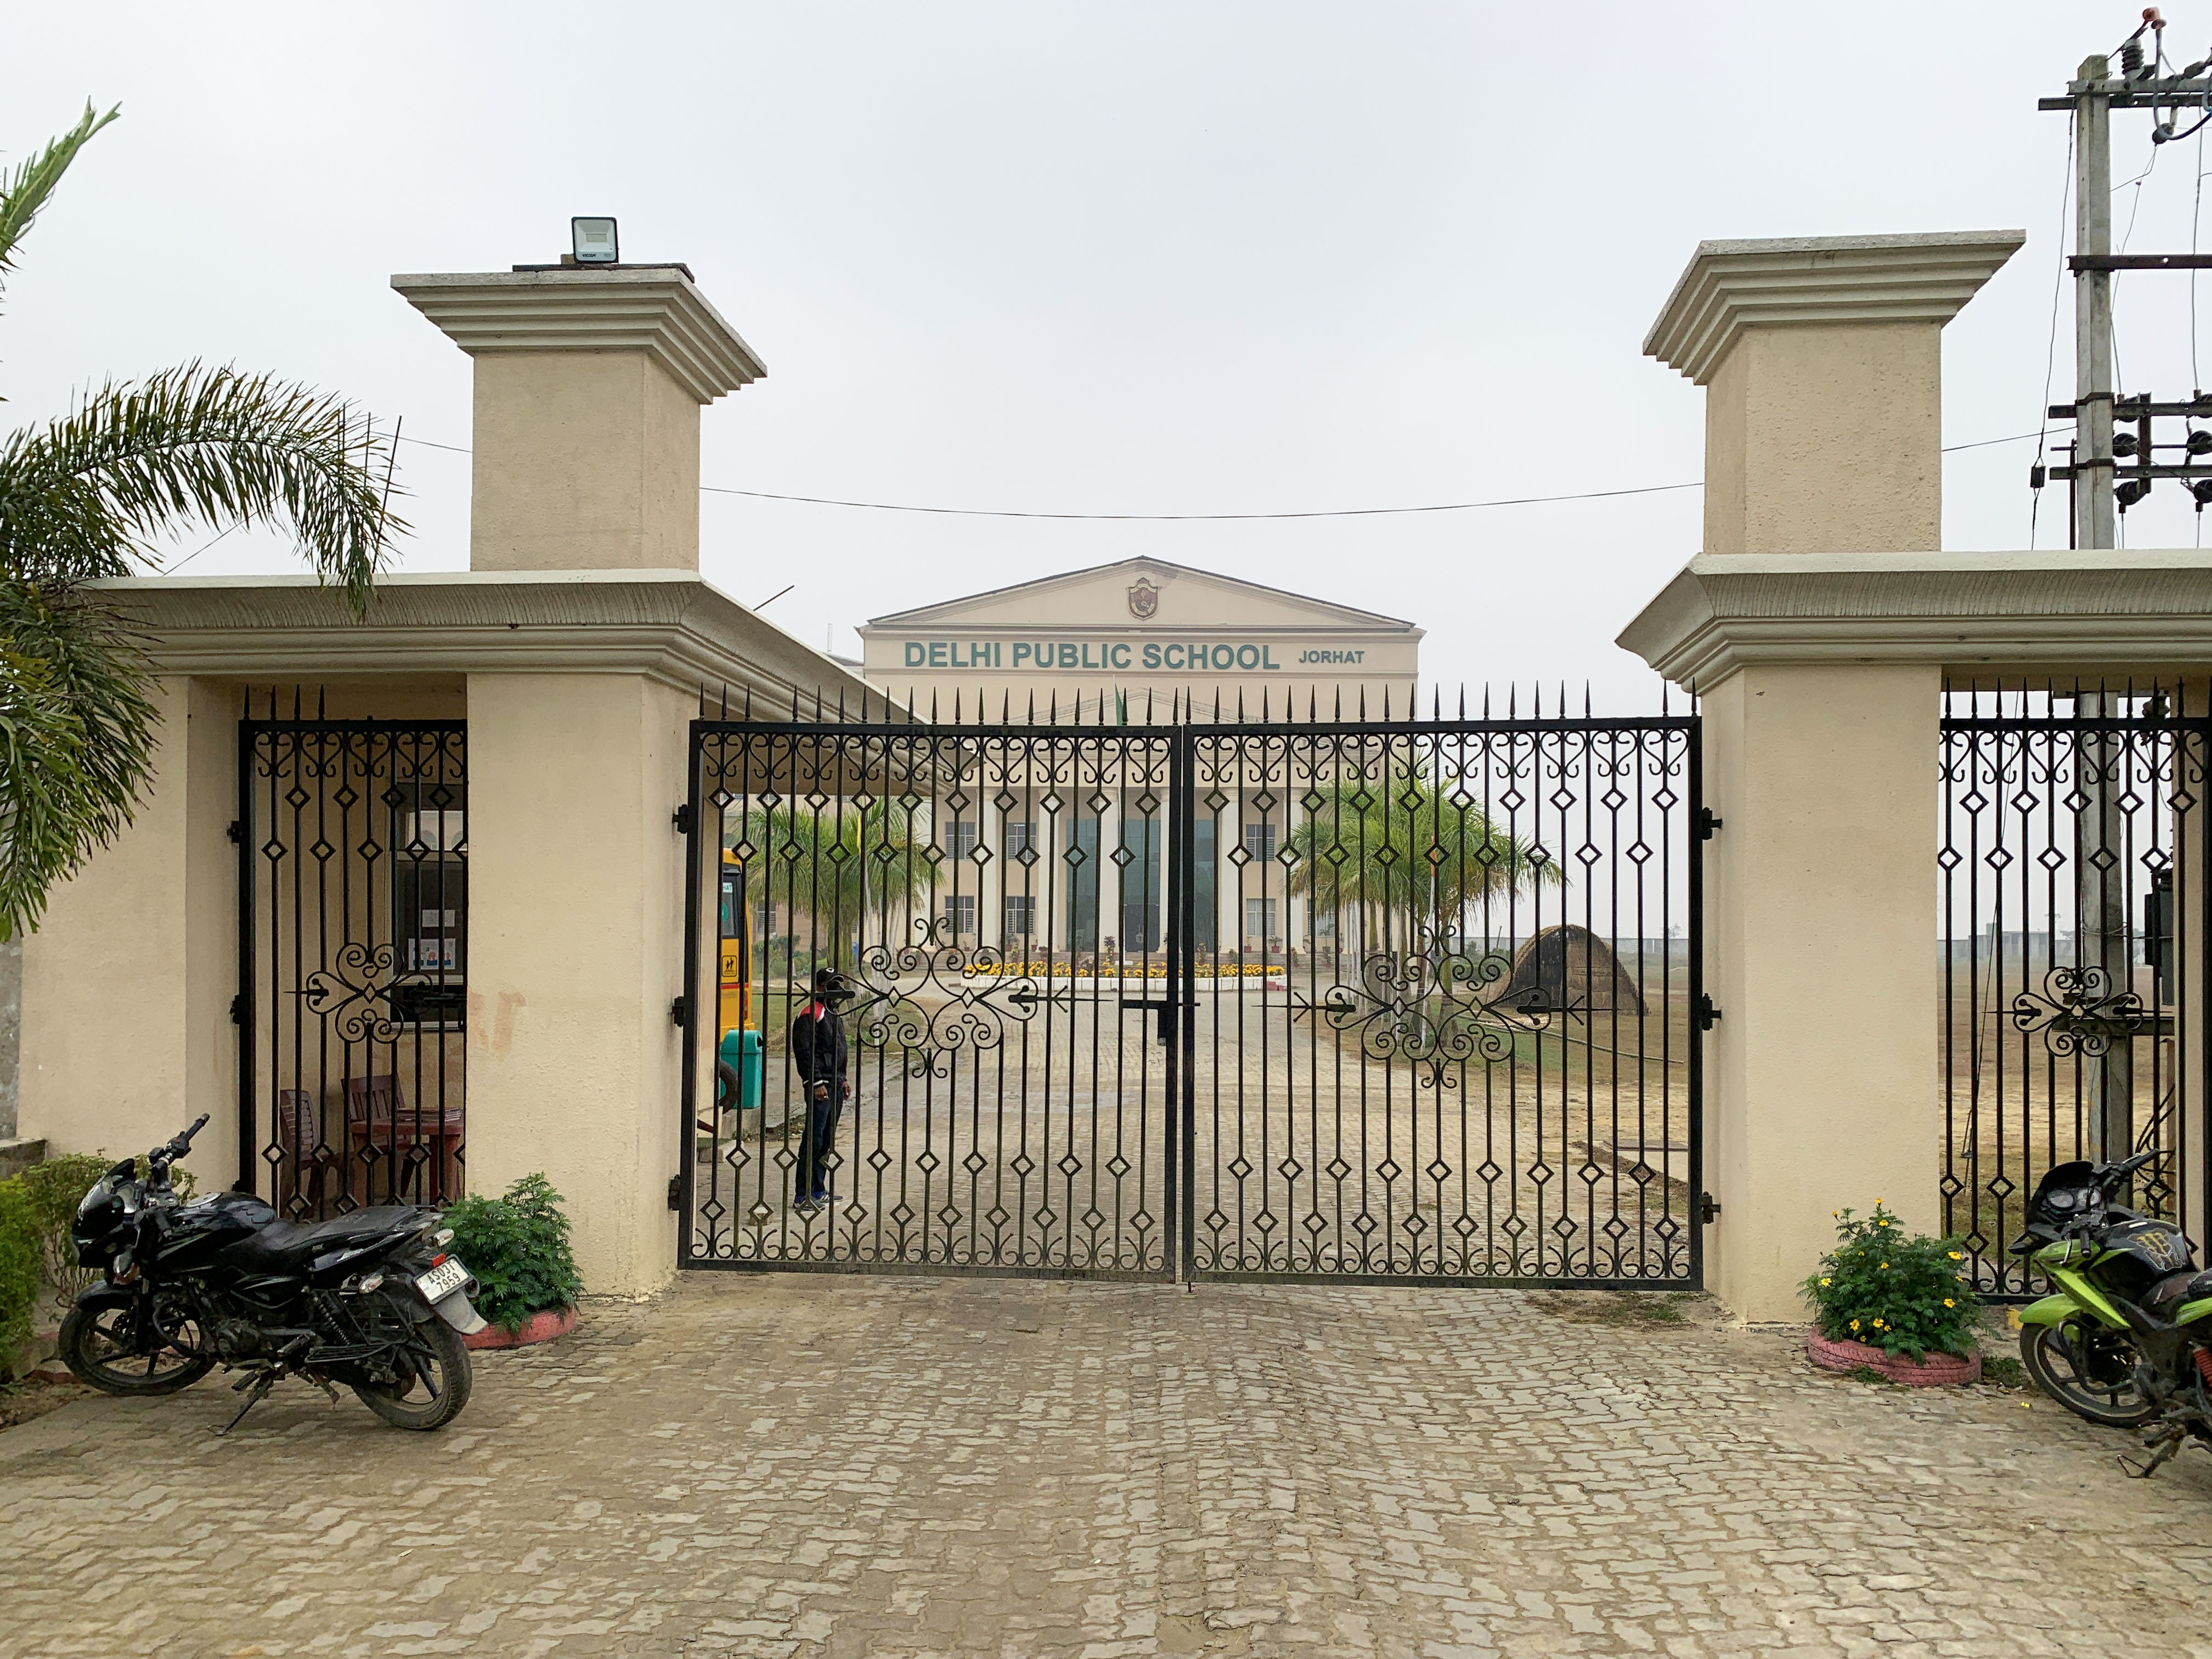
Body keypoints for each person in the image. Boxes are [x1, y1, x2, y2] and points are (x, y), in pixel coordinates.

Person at [789, 968, 850, 1211]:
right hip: (820, 1087)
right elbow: (806, 1052)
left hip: (835, 1084)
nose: (835, 989)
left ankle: (818, 1189)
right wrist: (815, 1082)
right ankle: (803, 1194)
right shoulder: (810, 1014)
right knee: (813, 1139)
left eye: (838, 984)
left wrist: (843, 1079)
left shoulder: (833, 1013)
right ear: (819, 986)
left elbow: (838, 1049)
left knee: (826, 1140)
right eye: (830, 984)